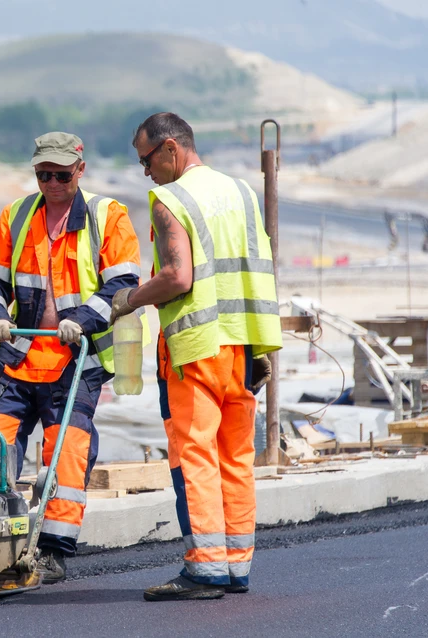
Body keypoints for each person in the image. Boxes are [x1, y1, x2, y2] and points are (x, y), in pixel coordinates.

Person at [110, 113, 282, 601]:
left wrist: (132, 299)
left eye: (146, 160)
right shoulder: (244, 194)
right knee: (237, 456)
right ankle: (235, 564)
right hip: (243, 346)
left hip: (196, 349)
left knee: (196, 456)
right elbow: (257, 268)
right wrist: (261, 346)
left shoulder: (171, 199)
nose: (145, 172)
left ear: (169, 149)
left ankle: (204, 568)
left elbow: (179, 278)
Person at [0, 132, 143, 583]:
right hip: (20, 355)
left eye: (60, 175)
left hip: (76, 360)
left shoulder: (108, 217)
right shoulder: (16, 215)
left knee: (66, 452)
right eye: (42, 174)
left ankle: (52, 550)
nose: (51, 182)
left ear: (79, 171)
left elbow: (123, 284)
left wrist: (86, 319)